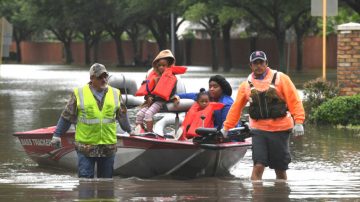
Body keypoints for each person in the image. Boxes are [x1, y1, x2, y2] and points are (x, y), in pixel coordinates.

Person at [222, 51, 305, 180]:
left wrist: (299, 122)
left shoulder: (281, 79)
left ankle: (281, 194)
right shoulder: (246, 85)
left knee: (280, 169)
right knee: (258, 165)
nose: (259, 65)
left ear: (266, 63)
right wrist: (226, 127)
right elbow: (236, 108)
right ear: (251, 65)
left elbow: (294, 100)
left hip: (280, 129)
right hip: (258, 130)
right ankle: (257, 196)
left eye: (261, 62)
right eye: (255, 63)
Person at [50, 63, 132, 178]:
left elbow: (122, 115)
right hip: (85, 147)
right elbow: (67, 116)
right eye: (100, 77)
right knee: (85, 183)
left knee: (106, 184)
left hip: (108, 147)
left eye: (105, 76)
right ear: (92, 78)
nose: (104, 80)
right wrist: (57, 135)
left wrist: (130, 131)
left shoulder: (115, 93)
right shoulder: (79, 93)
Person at [134, 49, 186, 133]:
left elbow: (168, 93)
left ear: (169, 66)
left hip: (162, 101)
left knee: (148, 114)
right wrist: (149, 97)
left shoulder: (172, 78)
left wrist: (155, 97)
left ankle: (150, 133)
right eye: (159, 65)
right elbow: (148, 91)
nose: (161, 67)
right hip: (152, 101)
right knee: (139, 114)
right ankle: (140, 130)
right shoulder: (153, 77)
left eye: (163, 65)